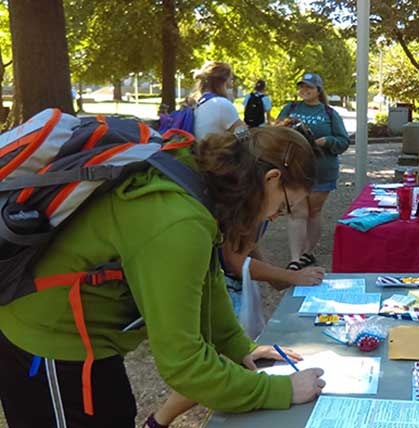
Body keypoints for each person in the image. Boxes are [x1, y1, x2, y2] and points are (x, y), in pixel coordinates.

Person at [0, 126, 327, 427]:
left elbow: (206, 280)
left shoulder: (200, 183)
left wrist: (238, 346)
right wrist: (280, 390)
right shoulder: (178, 223)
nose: (273, 217)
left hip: (88, 343)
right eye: (282, 208)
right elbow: (184, 366)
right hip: (48, 346)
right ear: (270, 179)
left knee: (116, 412)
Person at [277, 72, 350, 271]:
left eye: (309, 87)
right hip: (294, 170)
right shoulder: (290, 108)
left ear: (318, 90)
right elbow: (276, 135)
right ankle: (295, 259)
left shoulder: (329, 113)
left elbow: (343, 141)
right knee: (297, 211)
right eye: (301, 86)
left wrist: (328, 141)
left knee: (314, 212)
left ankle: (306, 253)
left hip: (322, 170)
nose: (304, 90)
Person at [191, 61, 246, 141]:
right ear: (225, 80)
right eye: (231, 78)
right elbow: (244, 137)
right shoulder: (221, 104)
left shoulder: (199, 103)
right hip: (219, 153)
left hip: (202, 151)